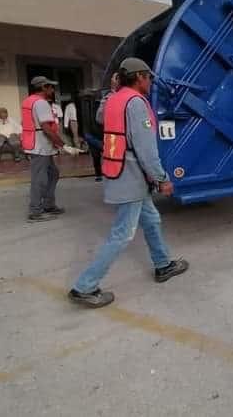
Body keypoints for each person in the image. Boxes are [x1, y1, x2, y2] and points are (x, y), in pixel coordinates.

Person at [68, 58, 188, 308]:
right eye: (149, 77)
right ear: (140, 77)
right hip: (131, 175)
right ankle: (85, 287)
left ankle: (163, 264)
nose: (151, 82)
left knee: (152, 220)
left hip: (119, 170)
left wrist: (112, 90)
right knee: (122, 234)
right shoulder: (135, 103)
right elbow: (146, 149)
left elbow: (101, 118)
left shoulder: (114, 99)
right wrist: (162, 179)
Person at [21, 77, 67, 222]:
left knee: (53, 173)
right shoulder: (41, 103)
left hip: (37, 143)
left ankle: (48, 205)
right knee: (39, 179)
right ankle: (35, 212)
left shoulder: (29, 100)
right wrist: (62, 144)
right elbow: (46, 128)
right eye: (50, 87)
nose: (52, 90)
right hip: (40, 145)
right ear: (43, 87)